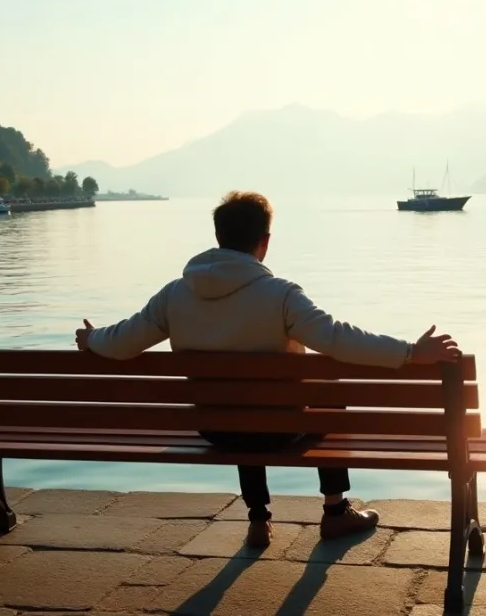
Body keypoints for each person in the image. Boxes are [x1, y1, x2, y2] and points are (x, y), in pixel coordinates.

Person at [74, 190, 462, 547]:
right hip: (279, 430)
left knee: (237, 403)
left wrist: (92, 340)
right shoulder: (281, 295)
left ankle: (259, 518)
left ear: (219, 235)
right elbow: (339, 339)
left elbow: (123, 341)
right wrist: (411, 351)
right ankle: (334, 511)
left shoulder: (174, 295)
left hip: (217, 430)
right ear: (265, 242)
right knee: (326, 397)